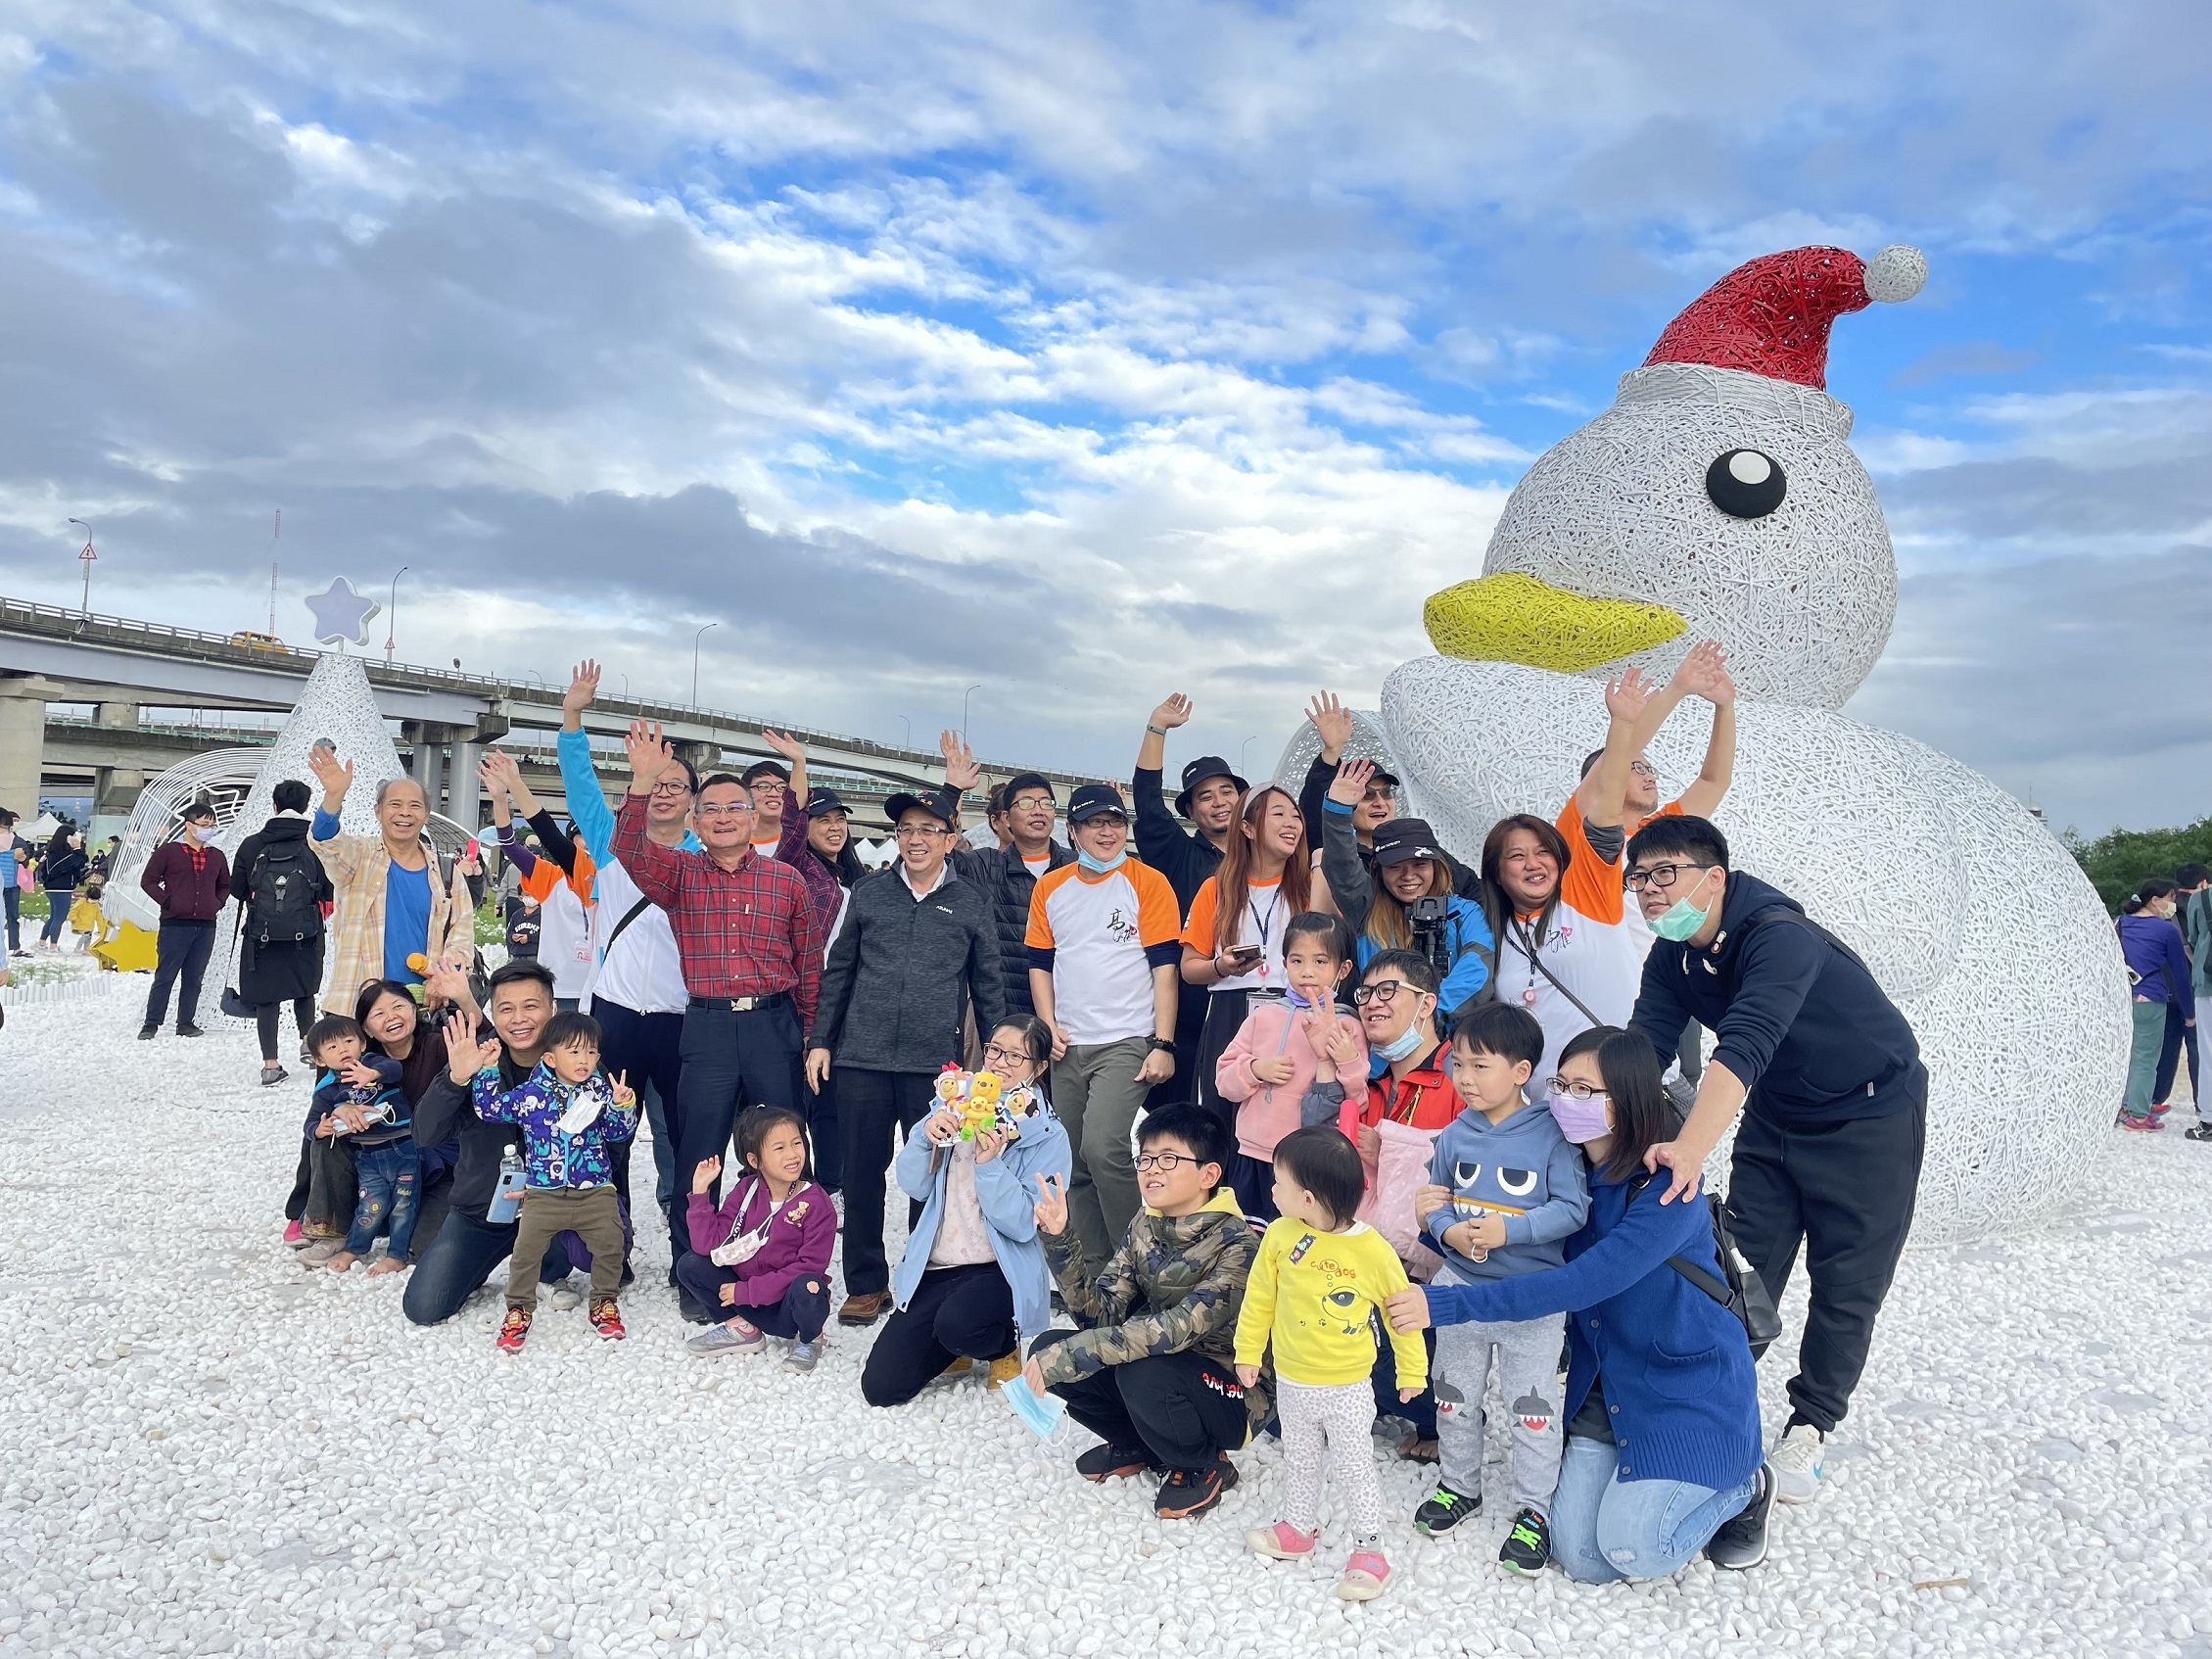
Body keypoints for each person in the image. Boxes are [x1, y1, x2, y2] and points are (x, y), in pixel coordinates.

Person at [1385, 1026, 1773, 1582]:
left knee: (1633, 1549)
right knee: (1582, 1557)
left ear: (1629, 1098)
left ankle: (1745, 1484)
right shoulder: (1564, 1172)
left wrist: (1444, 1306)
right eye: (1561, 1084)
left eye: (1585, 1091)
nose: (1566, 1100)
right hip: (1604, 1387)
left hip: (1682, 1387)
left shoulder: (1664, 1189)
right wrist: (1437, 1224)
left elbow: (1576, 1284)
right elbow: (1504, 1241)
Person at [1624, 813, 1926, 1506]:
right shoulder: (1673, 955)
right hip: (1776, 1113)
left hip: (1869, 1114)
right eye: (1638, 878)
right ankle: (1705, 1391)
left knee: (1846, 1280)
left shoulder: (1779, 937)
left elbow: (1744, 1044)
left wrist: (1688, 1148)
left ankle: (1811, 1422)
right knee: (1739, 1262)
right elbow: (1645, 1047)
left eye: (1663, 873)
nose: (1647, 890)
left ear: (1714, 877)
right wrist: (1594, 1114)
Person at [614, 720, 822, 1300]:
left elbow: (809, 968)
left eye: (737, 807)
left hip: (773, 1025)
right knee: (698, 1153)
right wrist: (641, 782)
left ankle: (786, 1269)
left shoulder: (786, 882)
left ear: (756, 819)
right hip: (704, 1029)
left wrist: (811, 1035)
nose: (725, 817)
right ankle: (697, 1274)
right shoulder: (680, 875)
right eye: (712, 809)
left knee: (784, 1150)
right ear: (695, 823)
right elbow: (627, 847)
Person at [805, 783, 1004, 1327]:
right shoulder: (869, 893)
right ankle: (865, 1284)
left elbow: (987, 985)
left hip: (933, 1068)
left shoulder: (969, 902)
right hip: (861, 1058)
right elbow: (839, 972)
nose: (915, 840)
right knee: (862, 1173)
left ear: (950, 840)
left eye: (928, 831)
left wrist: (996, 1062)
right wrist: (822, 1040)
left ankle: (922, 1278)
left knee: (931, 1177)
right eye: (906, 830)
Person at [1409, 1001, 1589, 1573]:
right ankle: (1458, 1485)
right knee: (1453, 1395)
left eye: (1479, 1066)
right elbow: (1433, 1205)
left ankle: (1534, 1510)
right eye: (1458, 1064)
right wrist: (1447, 1233)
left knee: (1530, 1407)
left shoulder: (1551, 1135)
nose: (1464, 1078)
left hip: (1532, 1297)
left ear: (1521, 1071)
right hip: (1461, 1288)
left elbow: (1574, 1209)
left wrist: (1510, 1229)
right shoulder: (1453, 1135)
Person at [1024, 1104, 1264, 1521]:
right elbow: (1101, 1317)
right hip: (1167, 1371)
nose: (1152, 1169)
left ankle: (1203, 1464)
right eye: (1146, 1159)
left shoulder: (1239, 1245)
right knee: (1048, 1346)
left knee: (1135, 1368)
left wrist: (1071, 1356)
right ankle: (1142, 1444)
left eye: (1169, 1159)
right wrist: (1061, 1239)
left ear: (1209, 1175)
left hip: (1233, 1393)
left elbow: (1174, 1331)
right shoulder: (1145, 1224)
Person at [1237, 1125, 1428, 1602]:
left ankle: (1370, 1551)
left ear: (1306, 1197)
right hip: (1293, 1380)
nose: (1271, 1191)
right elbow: (1259, 1298)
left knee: (1354, 1466)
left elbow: (1400, 1313)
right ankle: (1298, 1528)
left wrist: (1412, 1371)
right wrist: (1247, 1352)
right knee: (1299, 1459)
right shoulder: (1280, 1236)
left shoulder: (1372, 1249)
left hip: (1346, 1387)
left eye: (1277, 1183)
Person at [554, 661, 700, 1256]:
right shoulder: (612, 841)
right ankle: (607, 1245)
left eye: (675, 785)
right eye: (654, 783)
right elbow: (579, 780)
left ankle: (688, 1248)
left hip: (681, 1015)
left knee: (683, 1137)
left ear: (693, 799)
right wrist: (573, 715)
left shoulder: (705, 856)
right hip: (613, 1013)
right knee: (604, 1135)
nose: (663, 792)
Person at [1304, 948, 1463, 1461]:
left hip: (1432, 1260)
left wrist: (1390, 1150)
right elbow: (1313, 1138)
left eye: (1387, 991)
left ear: (1426, 1004)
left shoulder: (1463, 1072)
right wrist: (1329, 1061)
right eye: (1365, 993)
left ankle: (1435, 1416)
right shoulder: (1370, 1082)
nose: (1371, 1003)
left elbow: (1478, 1162)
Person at [862, 1021, 1071, 1404]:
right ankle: (952, 1339)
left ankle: (1001, 1343)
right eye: (994, 1051)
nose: (1000, 1064)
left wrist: (990, 1166)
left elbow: (1024, 1223)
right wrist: (925, 1137)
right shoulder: (953, 1103)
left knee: (959, 1323)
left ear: (1039, 1068)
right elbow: (914, 1186)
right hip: (939, 1265)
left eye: (1016, 1056)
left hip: (998, 1269)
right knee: (881, 1387)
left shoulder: (1047, 1133)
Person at [1025, 782, 1182, 1263]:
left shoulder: (1148, 882)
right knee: (1070, 1159)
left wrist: (1163, 1043)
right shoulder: (1051, 886)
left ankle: (1140, 1259)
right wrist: (1048, 1024)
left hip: (1128, 1039)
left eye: (1115, 821)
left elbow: (1165, 971)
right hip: (1068, 1044)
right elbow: (1039, 963)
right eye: (1095, 822)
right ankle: (1095, 1275)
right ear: (1072, 831)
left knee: (1105, 1146)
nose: (1107, 831)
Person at [457, 1009, 640, 1351]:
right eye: (574, 1051)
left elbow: (618, 1135)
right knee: (526, 1253)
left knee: (610, 1246)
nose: (584, 1060)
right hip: (543, 1192)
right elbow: (490, 1109)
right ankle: (518, 1310)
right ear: (550, 1058)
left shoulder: (600, 1093)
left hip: (595, 1190)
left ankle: (603, 1301)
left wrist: (622, 1105)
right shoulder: (532, 1095)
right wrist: (487, 1069)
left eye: (590, 1051)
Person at [402, 961, 575, 1327]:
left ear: (553, 1008)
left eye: (531, 1006)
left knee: (571, 1239)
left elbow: (609, 1143)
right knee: (424, 1306)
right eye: (506, 1009)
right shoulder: (479, 1057)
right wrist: (456, 1078)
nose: (519, 1019)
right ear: (492, 1013)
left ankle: (547, 1267)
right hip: (481, 1210)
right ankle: (491, 1257)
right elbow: (425, 1135)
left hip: (556, 1209)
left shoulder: (576, 1062)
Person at [757, 727, 868, 1192]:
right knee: (797, 1095)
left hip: (846, 1000)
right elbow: (790, 830)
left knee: (834, 1101)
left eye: (841, 819)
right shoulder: (795, 866)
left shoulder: (859, 878)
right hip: (801, 997)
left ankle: (832, 1186)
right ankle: (788, 1183)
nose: (835, 827)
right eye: (824, 820)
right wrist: (798, 767)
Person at [1179, 784, 1317, 1133]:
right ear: (1248, 828)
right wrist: (1219, 966)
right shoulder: (1217, 888)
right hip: (1230, 1008)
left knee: (1285, 1123)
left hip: (1294, 1010)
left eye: (1296, 816)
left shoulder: (1310, 887)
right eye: (1279, 814)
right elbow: (1189, 968)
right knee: (1217, 1121)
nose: (1292, 824)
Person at [1212, 912, 1368, 1220]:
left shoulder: (1348, 1024)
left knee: (1297, 1243)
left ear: (1344, 968)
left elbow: (1358, 1101)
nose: (1307, 972)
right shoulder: (1263, 1016)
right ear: (1284, 963)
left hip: (1307, 1163)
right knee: (1249, 1240)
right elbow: (1223, 1081)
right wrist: (1255, 1069)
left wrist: (1346, 1059)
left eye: (1320, 962)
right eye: (1297, 961)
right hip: (1253, 1154)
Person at [1131, 695, 1246, 1104]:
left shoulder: (1268, 857)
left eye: (1227, 791)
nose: (1219, 802)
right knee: (1179, 1120)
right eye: (1205, 797)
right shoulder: (1177, 856)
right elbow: (1146, 805)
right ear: (1192, 812)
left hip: (1253, 1009)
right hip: (1188, 1014)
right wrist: (1157, 728)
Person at [304, 749, 478, 1012]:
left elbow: (462, 938)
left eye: (415, 806)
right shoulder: (359, 857)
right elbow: (326, 841)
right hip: (360, 1008)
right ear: (378, 811)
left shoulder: (447, 873)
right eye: (395, 805)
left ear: (426, 815)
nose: (404, 813)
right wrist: (333, 797)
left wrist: (441, 979)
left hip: (423, 1008)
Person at [1317, 763, 1492, 1021]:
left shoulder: (1465, 912)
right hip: (1381, 1049)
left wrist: (1423, 1015)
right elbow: (1341, 865)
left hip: (1450, 1050)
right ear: (1379, 871)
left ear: (1437, 865)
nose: (1408, 875)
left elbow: (1478, 970)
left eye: (1419, 864)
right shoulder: (1367, 909)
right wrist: (1337, 811)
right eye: (1395, 866)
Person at [678, 1106, 837, 1371]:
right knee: (690, 1264)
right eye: (779, 1148)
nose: (793, 1154)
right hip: (743, 1300)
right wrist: (700, 1193)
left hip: (787, 1306)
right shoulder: (746, 1190)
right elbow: (708, 1245)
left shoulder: (816, 1203)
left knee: (810, 1287)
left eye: (797, 1143)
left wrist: (746, 1291)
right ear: (754, 1160)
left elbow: (810, 1266)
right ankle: (742, 1328)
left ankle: (810, 1339)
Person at [943, 736, 1074, 1027]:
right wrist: (952, 791)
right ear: (1005, 818)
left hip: (1071, 1014)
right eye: (1026, 803)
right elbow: (940, 856)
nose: (1038, 810)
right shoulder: (987, 865)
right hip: (1005, 1015)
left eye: (1046, 803)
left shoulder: (1075, 868)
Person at [232, 781, 335, 1086]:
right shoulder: (316, 844)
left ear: (274, 805)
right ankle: (308, 1042)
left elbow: (237, 889)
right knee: (304, 989)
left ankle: (271, 1065)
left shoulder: (252, 844)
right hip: (306, 933)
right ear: (306, 807)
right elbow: (329, 888)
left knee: (267, 999)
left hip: (261, 937)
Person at [300, 1016, 417, 1276]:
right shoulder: (328, 1090)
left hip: (404, 1147)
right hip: (369, 1154)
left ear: (362, 1044)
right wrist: (321, 1128)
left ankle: (397, 1255)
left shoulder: (372, 1064)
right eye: (332, 1047)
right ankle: (353, 1247)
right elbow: (310, 1123)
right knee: (370, 1205)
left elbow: (396, 1070)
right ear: (319, 1060)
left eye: (349, 1041)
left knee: (404, 1204)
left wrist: (374, 1073)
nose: (343, 1049)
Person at [481, 752, 596, 1011]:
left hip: (599, 986)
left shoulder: (609, 875)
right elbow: (510, 847)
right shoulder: (552, 877)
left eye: (592, 837)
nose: (587, 843)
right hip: (559, 986)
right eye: (580, 837)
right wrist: (500, 798)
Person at [138, 795, 231, 1040]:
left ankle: (186, 1022)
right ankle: (152, 1023)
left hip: (206, 924)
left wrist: (216, 903)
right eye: (203, 824)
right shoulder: (168, 852)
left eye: (211, 825)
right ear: (189, 825)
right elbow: (148, 881)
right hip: (174, 923)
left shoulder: (216, 856)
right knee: (166, 974)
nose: (208, 829)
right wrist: (168, 901)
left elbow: (225, 884)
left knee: (194, 976)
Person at [1294, 691, 1404, 874]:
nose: (1380, 802)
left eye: (1386, 793)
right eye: (1367, 795)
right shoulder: (1337, 857)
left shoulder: (1410, 851)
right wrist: (1332, 751)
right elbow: (1314, 816)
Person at [2117, 878, 2193, 1133]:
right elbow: (2181, 975)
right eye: (2171, 899)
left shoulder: (2122, 923)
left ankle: (2126, 1105)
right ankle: (2138, 1115)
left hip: (2124, 999)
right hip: (2152, 997)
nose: (2172, 905)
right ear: (2155, 901)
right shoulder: (2166, 931)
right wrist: (2189, 1012)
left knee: (2128, 1055)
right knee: (2146, 1058)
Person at [2182, 865, 2212, 1144]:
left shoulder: (2200, 899)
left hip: (2208, 983)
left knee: (2208, 1051)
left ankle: (2209, 1120)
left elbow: (2192, 938)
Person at [34, 827, 87, 950]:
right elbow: (80, 861)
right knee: (60, 918)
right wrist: (78, 848)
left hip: (51, 888)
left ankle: (42, 942)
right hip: (62, 889)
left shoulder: (51, 853)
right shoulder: (65, 855)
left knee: (53, 917)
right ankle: (53, 945)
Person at [740, 759, 789, 859]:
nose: (773, 794)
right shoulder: (730, 842)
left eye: (782, 787)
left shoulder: (800, 844)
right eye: (763, 786)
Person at [0, 808, 24, 956]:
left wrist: (23, 859)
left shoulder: (17, 840)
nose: (5, 831)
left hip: (11, 883)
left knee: (12, 915)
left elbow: (27, 859)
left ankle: (15, 946)